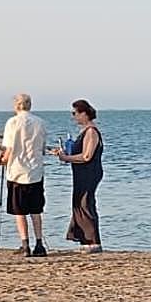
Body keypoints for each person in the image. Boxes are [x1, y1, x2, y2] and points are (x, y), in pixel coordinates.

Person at [0, 92, 49, 257]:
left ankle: (25, 244)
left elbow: (9, 148)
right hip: (35, 171)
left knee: (20, 211)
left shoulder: (12, 122)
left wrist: (2, 160)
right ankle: (39, 244)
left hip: (17, 172)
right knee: (36, 210)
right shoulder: (40, 122)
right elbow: (42, 148)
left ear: (16, 106)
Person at [56, 99, 104, 253]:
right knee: (79, 203)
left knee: (84, 203)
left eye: (75, 113)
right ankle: (85, 239)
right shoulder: (85, 132)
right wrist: (63, 153)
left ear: (84, 113)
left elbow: (87, 156)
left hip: (89, 173)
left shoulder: (91, 132)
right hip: (81, 172)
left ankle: (93, 242)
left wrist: (67, 158)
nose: (74, 117)